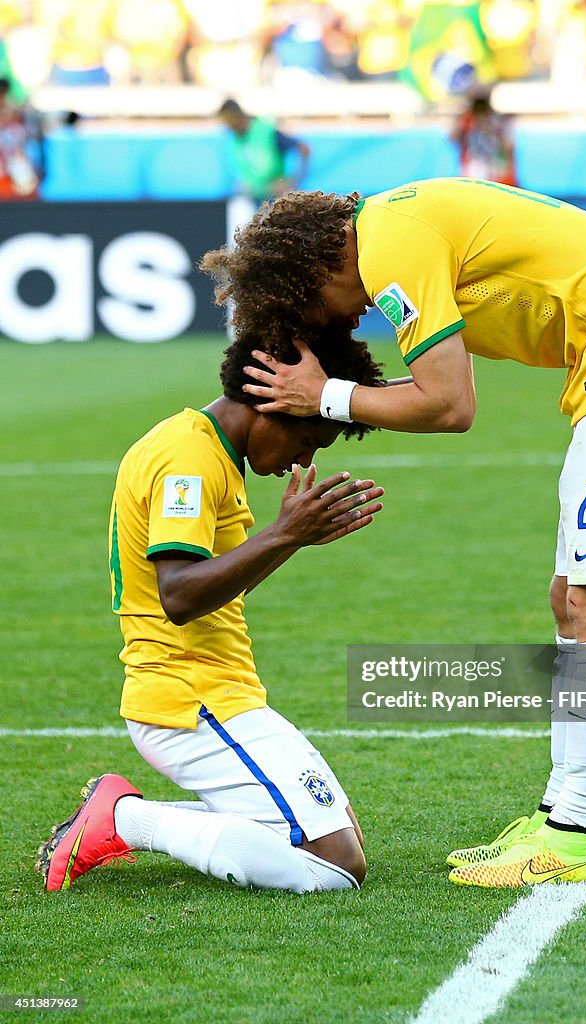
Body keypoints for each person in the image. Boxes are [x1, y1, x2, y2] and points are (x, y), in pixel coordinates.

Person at [204, 178, 586, 888]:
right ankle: (555, 816)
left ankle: (570, 835)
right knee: (570, 596)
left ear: (313, 266)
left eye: (311, 309)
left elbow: (449, 405)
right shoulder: (400, 227)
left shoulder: (388, 244)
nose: (340, 324)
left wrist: (318, 394)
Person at [36, 329, 385, 895]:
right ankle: (124, 819)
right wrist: (283, 534)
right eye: (306, 438)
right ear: (269, 404)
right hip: (189, 698)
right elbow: (179, 595)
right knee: (336, 866)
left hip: (217, 691)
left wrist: (290, 538)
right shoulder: (189, 458)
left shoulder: (210, 448)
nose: (304, 458)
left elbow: (218, 586)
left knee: (333, 837)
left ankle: (122, 816)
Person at [218, 97, 311, 203]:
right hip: (255, 198)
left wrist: (293, 181)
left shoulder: (266, 130)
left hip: (276, 199)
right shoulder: (236, 137)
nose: (230, 128)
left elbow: (304, 148)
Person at [451, 89, 518, 186]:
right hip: (474, 164)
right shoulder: (467, 121)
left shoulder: (498, 121)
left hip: (494, 164)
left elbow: (508, 145)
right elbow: (454, 139)